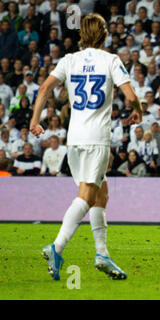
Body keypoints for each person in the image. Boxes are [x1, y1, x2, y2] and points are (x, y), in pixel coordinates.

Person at [29, 14, 143, 281]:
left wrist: (35, 120)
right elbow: (131, 95)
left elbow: (45, 87)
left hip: (75, 138)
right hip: (96, 138)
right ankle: (56, 247)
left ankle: (102, 254)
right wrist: (137, 112)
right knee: (87, 195)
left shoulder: (69, 60)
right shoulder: (110, 60)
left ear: (82, 33)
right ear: (103, 34)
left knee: (101, 193)